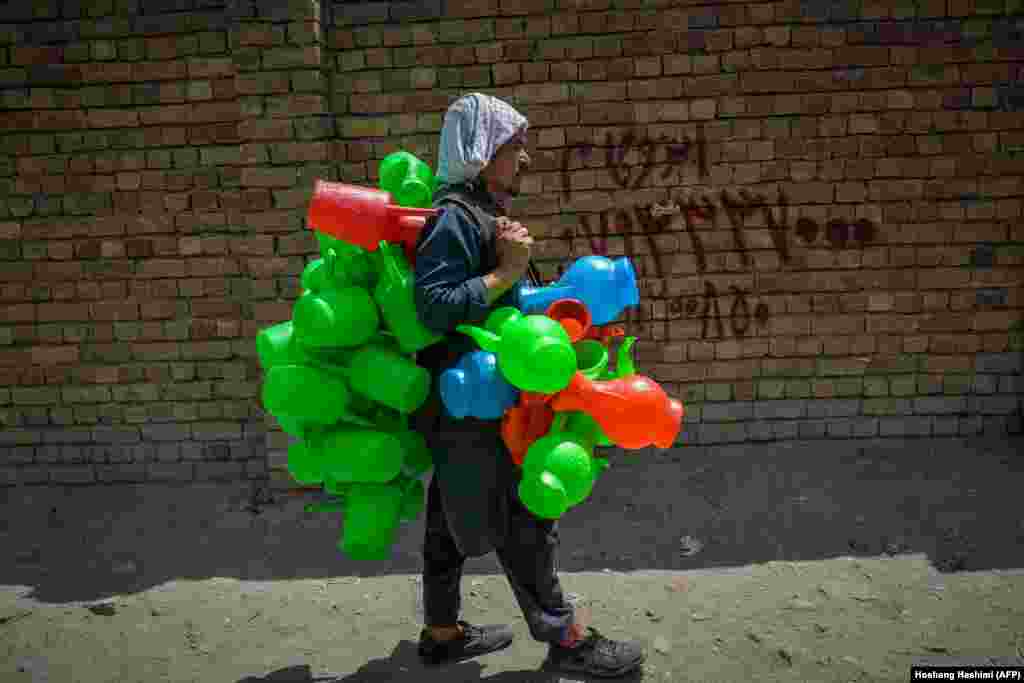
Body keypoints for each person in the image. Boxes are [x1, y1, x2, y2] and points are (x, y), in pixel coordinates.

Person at [410, 92, 645, 678]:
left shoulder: (478, 213)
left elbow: (509, 312)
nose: (527, 159)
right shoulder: (454, 219)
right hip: (478, 407)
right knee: (525, 520)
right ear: (485, 153)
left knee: (446, 515)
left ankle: (442, 633)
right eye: (516, 147)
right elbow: (435, 307)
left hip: (465, 405)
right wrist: (506, 271)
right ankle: (567, 638)